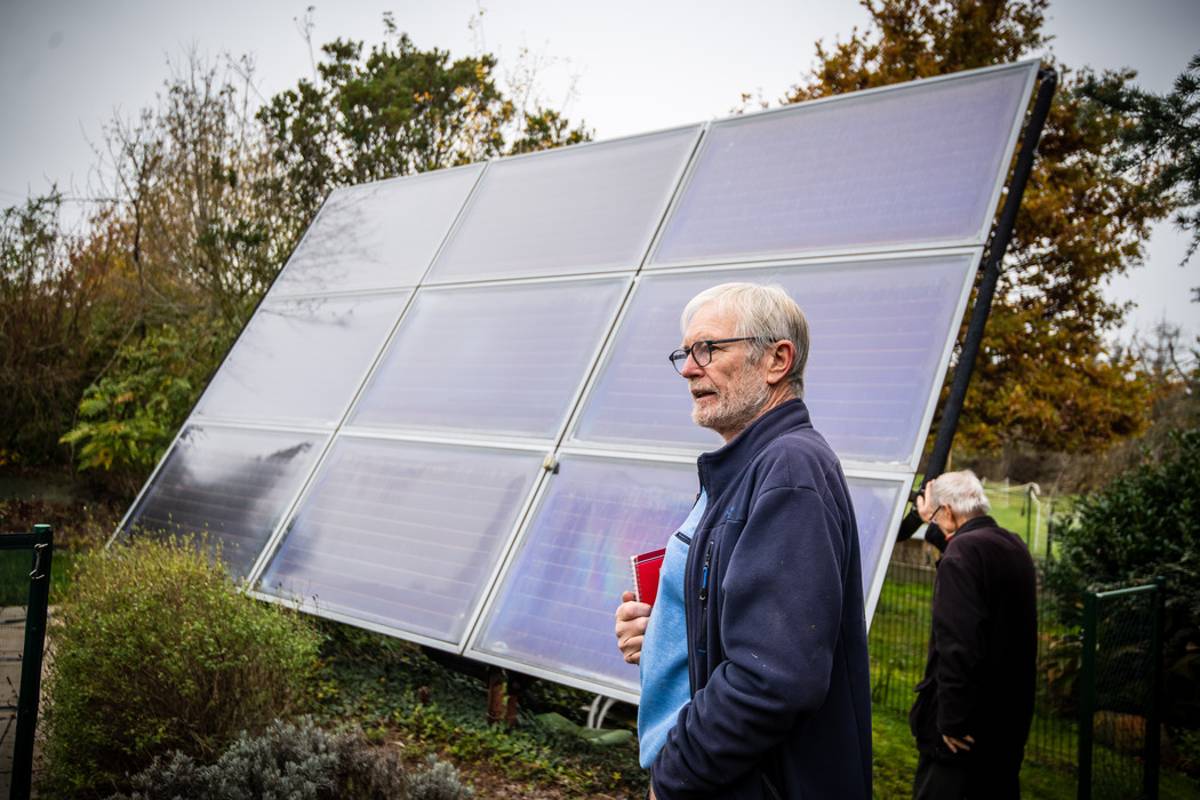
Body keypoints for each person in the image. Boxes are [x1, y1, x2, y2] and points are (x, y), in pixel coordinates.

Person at [614, 282, 872, 799]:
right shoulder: (745, 468)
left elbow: (771, 678)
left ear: (777, 359)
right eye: (685, 353)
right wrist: (668, 632)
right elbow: (750, 631)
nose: (689, 368)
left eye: (708, 349)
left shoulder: (790, 469)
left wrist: (675, 775)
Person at [909, 471, 1037, 800]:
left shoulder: (961, 556)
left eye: (937, 516)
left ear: (948, 512)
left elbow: (957, 645)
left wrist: (951, 721)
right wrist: (936, 527)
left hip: (963, 734)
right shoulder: (1012, 545)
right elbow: (966, 551)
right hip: (1006, 721)